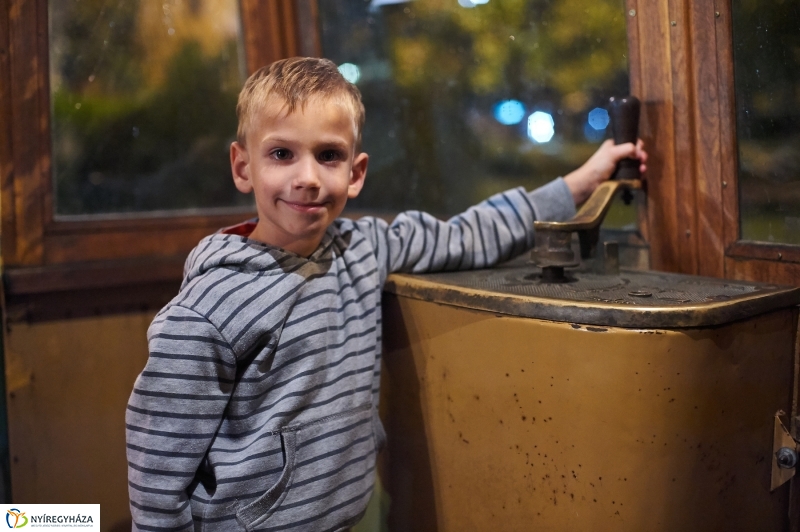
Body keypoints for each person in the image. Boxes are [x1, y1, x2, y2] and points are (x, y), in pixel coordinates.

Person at [126, 57, 647, 531]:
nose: (306, 178)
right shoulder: (207, 310)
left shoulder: (365, 247)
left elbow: (467, 234)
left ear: (355, 174)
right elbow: (158, 470)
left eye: (328, 156)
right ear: (244, 167)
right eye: (282, 153)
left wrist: (585, 179)